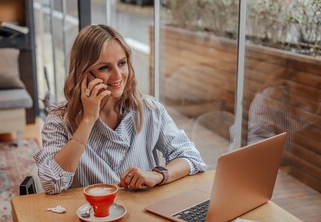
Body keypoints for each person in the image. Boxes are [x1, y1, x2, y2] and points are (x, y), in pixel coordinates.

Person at [34, 24, 206, 194]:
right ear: (83, 74)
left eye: (122, 63)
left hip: (140, 216)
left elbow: (190, 156)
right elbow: (52, 183)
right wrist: (87, 120)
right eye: (104, 67)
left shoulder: (150, 110)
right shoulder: (59, 120)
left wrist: (158, 175)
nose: (118, 76)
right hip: (88, 218)